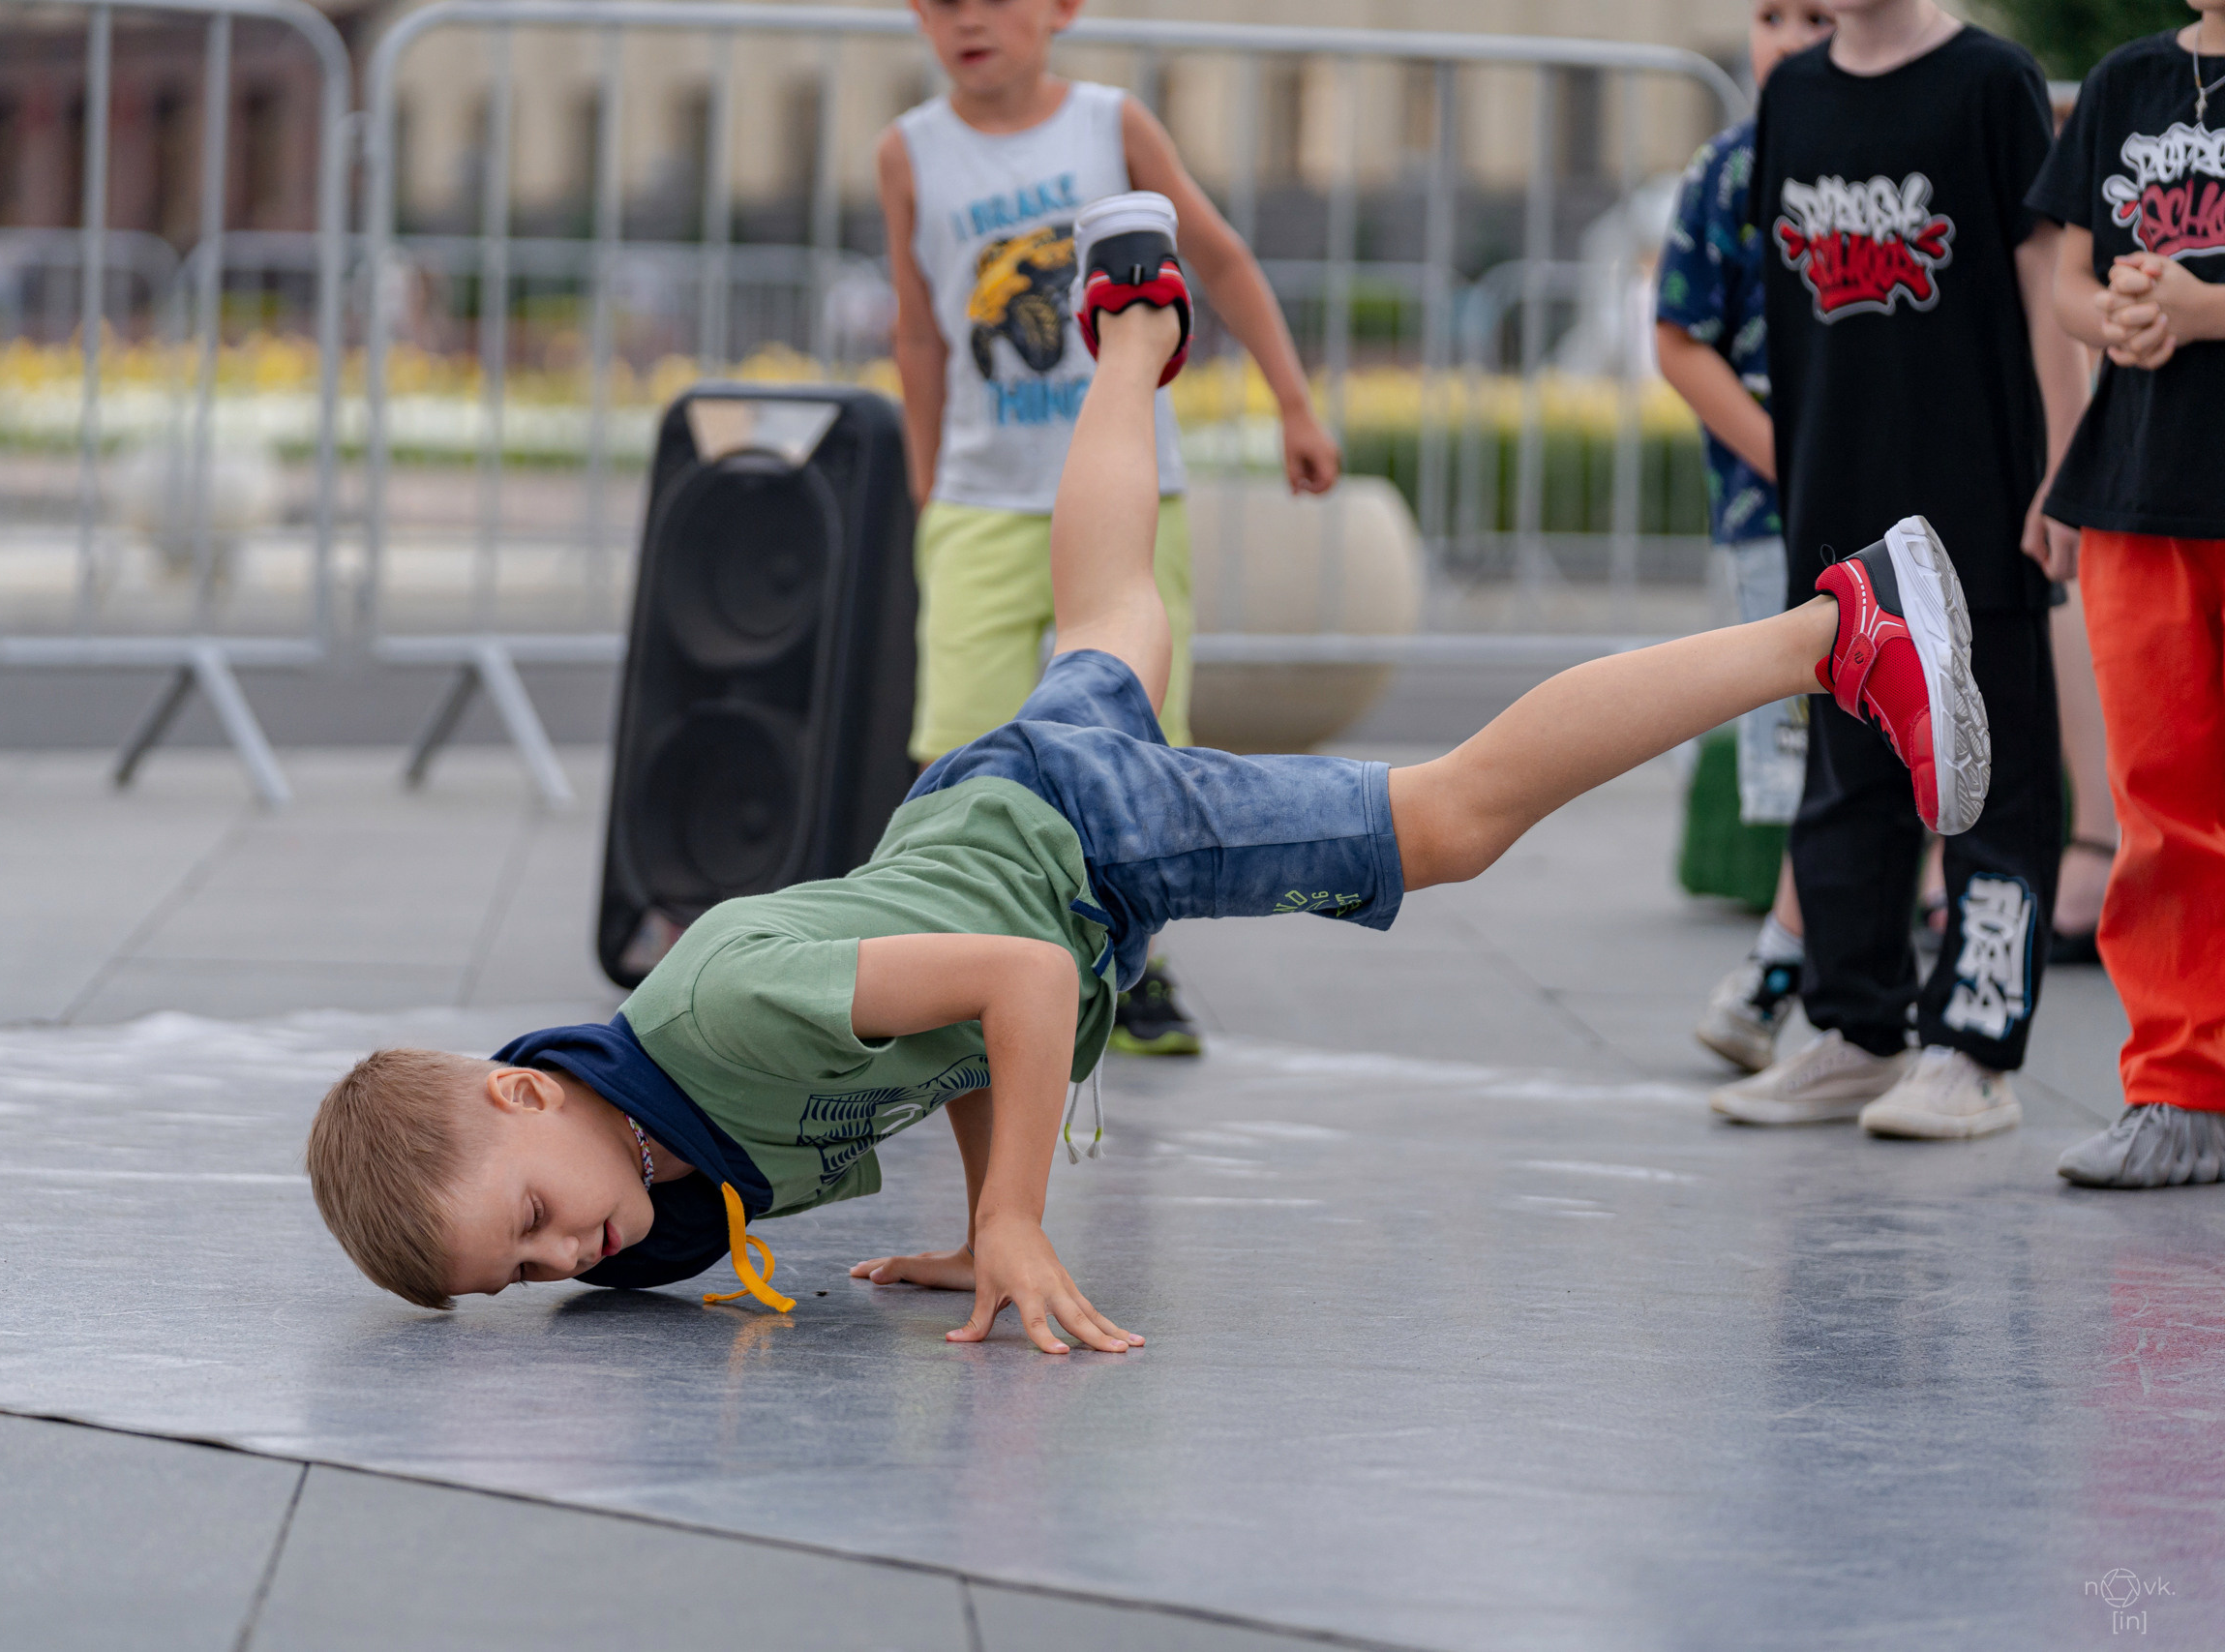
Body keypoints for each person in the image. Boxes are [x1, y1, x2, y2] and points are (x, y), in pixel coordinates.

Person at [308, 196, 1993, 1349]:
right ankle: (1126, 320)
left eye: (532, 1218)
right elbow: (946, 1032)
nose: (566, 1255)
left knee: (1454, 819)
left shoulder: (715, 1016)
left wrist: (1021, 1216)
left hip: (1078, 852)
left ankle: (1834, 629)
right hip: (999, 815)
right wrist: (980, 1219)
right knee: (1113, 612)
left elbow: (1024, 982)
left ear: (524, 1092)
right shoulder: (666, 1149)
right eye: (522, 1274)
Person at [877, 0, 1340, 1059]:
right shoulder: (907, 151)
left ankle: (1132, 968)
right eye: (943, 2)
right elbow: (917, 329)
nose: (969, 21)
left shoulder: (1109, 122)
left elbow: (1220, 258)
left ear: (1061, 10)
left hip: (1128, 490)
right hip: (981, 500)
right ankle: (959, 961)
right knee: (956, 737)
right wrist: (927, 483)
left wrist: (1294, 403)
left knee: (1134, 734)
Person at [1708, 0, 2090, 1140]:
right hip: (1835, 500)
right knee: (1844, 778)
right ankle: (1857, 1029)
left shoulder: (1991, 82)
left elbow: (2043, 284)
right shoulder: (1792, 94)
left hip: (1977, 498)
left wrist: (2061, 468)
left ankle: (1973, 1046)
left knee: (1995, 782)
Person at [2027, 0, 2225, 1187]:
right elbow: (2065, 278)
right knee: (2158, 808)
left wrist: (2205, 310)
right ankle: (2177, 1093)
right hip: (2136, 492)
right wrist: (2116, 314)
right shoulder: (2122, 82)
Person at [1657, 0, 1836, 1074]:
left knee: (1896, 731)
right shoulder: (1729, 170)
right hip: (1776, 516)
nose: (1791, 35)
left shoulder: (1911, 151)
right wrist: (1790, 459)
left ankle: (1797, 954)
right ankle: (1789, 956)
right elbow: (1681, 340)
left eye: (1819, 14)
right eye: (1772, 13)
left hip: (1908, 504)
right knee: (1808, 746)